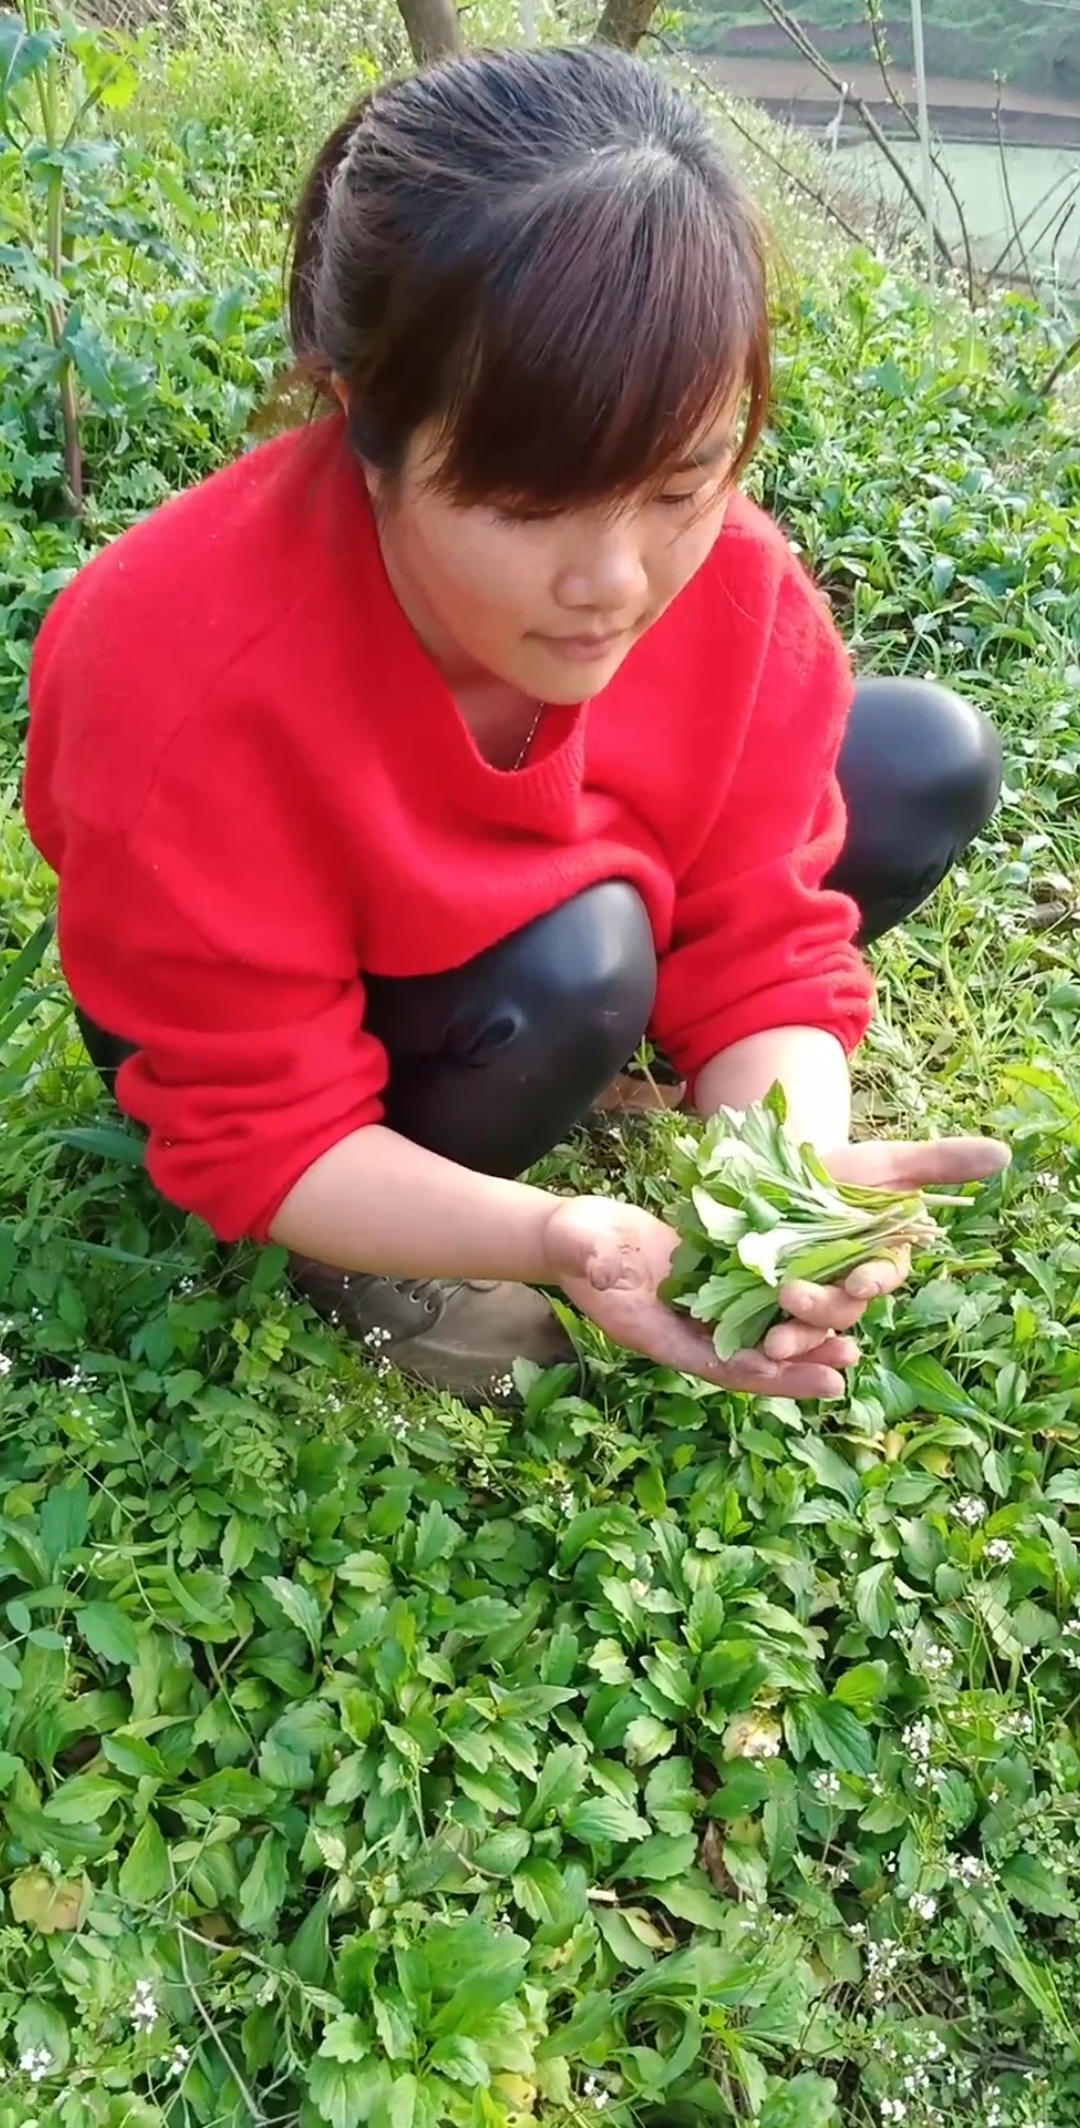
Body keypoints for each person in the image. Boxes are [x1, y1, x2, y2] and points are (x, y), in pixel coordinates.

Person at [23, 45, 1007, 1407]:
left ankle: (599, 1071)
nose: (614, 583)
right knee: (577, 971)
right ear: (368, 424)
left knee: (918, 758)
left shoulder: (733, 593)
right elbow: (256, 1114)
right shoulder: (177, 668)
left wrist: (783, 1176)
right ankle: (383, 1247)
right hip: (267, 1033)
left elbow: (770, 937)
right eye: (530, 505)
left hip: (539, 927)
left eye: (679, 482)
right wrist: (552, 1236)